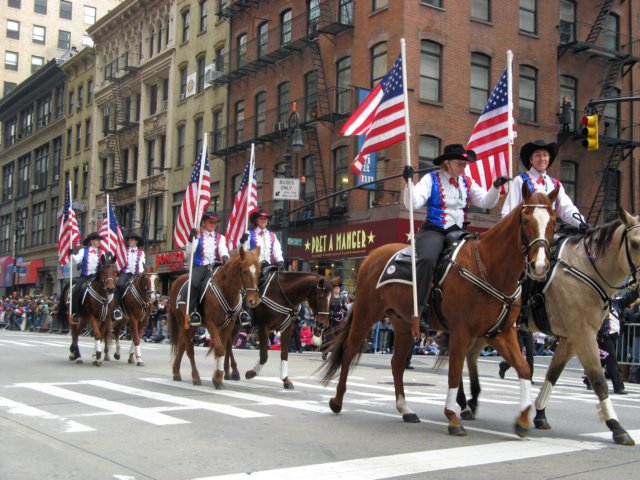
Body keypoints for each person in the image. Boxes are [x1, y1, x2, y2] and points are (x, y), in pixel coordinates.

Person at [402, 144, 507, 318]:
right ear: (448, 163)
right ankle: (419, 308)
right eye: (459, 164)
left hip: (458, 232)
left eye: (464, 165)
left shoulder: (467, 182)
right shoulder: (431, 179)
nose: (463, 168)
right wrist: (409, 183)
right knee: (427, 260)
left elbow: (486, 202)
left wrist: (495, 187)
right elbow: (412, 203)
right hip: (434, 230)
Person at [501, 140, 587, 228]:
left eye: (545, 155)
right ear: (531, 159)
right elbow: (508, 211)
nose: (542, 159)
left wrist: (581, 223)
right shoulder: (520, 181)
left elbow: (567, 208)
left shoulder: (555, 184)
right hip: (526, 234)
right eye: (538, 155)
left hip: (549, 233)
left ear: (549, 158)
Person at [238, 208, 285, 326]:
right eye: (261, 218)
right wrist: (242, 242)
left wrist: (280, 261)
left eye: (266, 218)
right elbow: (242, 250)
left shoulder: (272, 236)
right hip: (253, 267)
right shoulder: (249, 234)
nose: (264, 220)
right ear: (256, 220)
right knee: (250, 286)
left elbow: (277, 250)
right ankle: (245, 313)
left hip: (269, 266)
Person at [186, 211, 229, 326]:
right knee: (195, 283)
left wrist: (225, 256)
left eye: (214, 222)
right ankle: (193, 312)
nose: (213, 224)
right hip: (200, 266)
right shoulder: (197, 235)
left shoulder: (220, 237)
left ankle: (234, 312)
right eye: (210, 222)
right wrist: (191, 238)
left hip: (215, 266)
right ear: (203, 222)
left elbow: (222, 249)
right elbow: (190, 251)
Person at [69, 232, 103, 324]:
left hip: (97, 277)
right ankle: (74, 314)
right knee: (76, 291)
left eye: (99, 240)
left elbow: (105, 264)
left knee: (110, 289)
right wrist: (71, 255)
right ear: (91, 241)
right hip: (85, 276)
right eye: (97, 240)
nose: (99, 242)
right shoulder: (83, 251)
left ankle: (112, 312)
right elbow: (76, 260)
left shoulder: (102, 252)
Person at [113, 233, 146, 321]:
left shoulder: (141, 252)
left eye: (132, 240)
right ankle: (117, 308)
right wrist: (118, 268)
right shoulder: (124, 251)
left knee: (146, 286)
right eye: (129, 240)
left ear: (136, 241)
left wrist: (141, 273)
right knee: (119, 285)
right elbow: (118, 261)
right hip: (126, 273)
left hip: (137, 274)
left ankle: (147, 307)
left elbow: (141, 263)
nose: (130, 241)